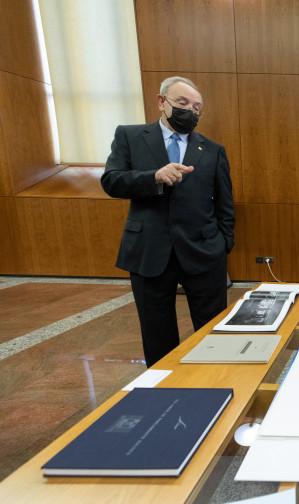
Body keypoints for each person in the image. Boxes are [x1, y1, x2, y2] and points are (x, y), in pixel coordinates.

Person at [101, 76, 235, 367]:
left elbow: (225, 202)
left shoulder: (212, 150)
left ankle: (212, 385)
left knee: (212, 329)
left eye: (197, 107)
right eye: (183, 103)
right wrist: (153, 177)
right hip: (149, 250)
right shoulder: (130, 136)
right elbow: (112, 181)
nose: (191, 111)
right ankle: (164, 389)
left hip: (203, 250)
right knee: (156, 330)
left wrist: (224, 243)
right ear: (162, 102)